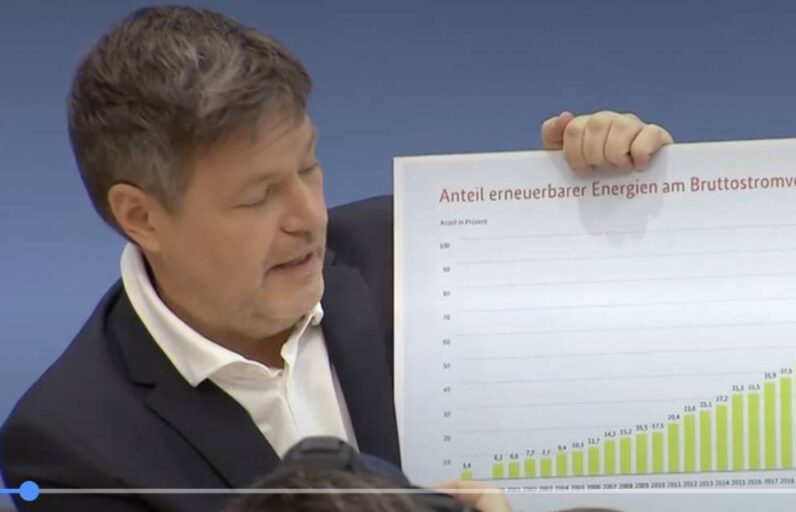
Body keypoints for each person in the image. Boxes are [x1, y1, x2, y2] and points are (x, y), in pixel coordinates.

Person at [0, 5, 673, 512]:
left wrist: (593, 203)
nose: (309, 217)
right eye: (258, 196)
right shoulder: (70, 446)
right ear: (140, 216)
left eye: (309, 166)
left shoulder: (425, 249)